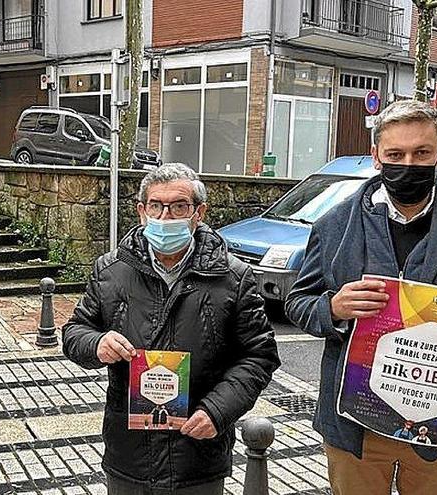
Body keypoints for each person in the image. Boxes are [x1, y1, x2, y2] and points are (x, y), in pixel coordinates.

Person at [285, 99, 437, 495]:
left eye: (422, 153)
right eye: (395, 154)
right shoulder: (334, 224)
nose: (408, 164)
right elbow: (299, 302)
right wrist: (332, 308)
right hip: (355, 427)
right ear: (376, 157)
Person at [62, 163, 280, 495]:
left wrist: (217, 411)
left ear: (199, 213)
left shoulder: (233, 278)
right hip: (129, 455)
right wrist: (96, 343)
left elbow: (259, 356)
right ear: (141, 211)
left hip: (198, 454)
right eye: (156, 206)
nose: (166, 217)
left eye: (179, 206)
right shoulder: (110, 270)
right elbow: (75, 332)